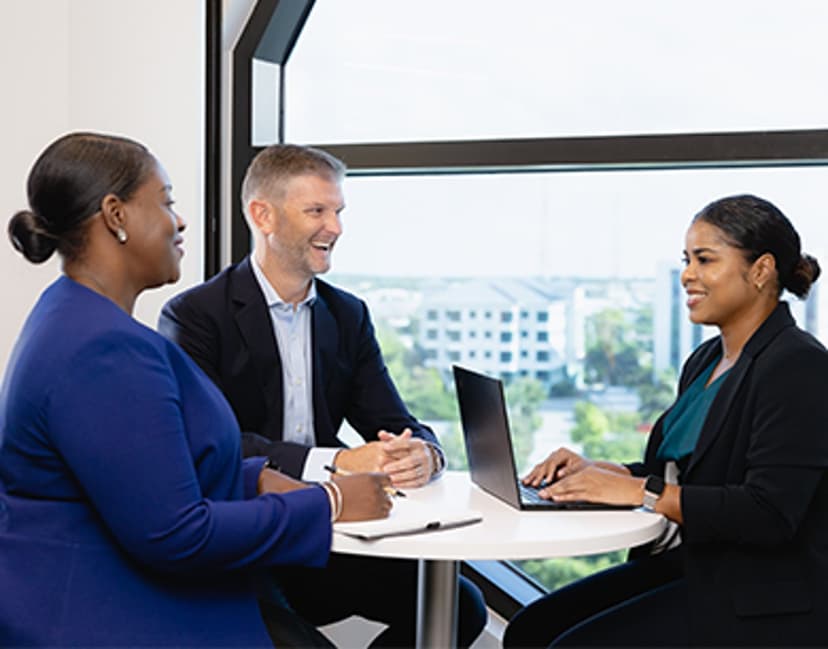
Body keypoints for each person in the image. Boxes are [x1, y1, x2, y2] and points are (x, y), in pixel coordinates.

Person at [0, 132, 393, 648]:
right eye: (165, 202)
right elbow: (173, 534)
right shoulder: (105, 349)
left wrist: (253, 478)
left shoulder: (74, 315)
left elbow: (156, 475)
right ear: (115, 216)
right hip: (106, 613)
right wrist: (331, 501)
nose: (179, 220)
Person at [158, 143, 487, 647]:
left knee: (462, 605)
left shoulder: (347, 315)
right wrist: (338, 462)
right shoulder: (195, 317)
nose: (335, 227)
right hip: (249, 539)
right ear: (262, 214)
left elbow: (395, 420)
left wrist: (423, 453)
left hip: (327, 537)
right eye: (317, 210)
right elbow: (213, 448)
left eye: (338, 211)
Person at [503, 194, 828, 648]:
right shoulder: (707, 359)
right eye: (687, 259)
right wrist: (604, 473)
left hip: (759, 595)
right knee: (529, 630)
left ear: (761, 270)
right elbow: (686, 476)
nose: (688, 275)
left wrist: (641, 491)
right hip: (693, 567)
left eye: (705, 259)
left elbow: (769, 513)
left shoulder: (798, 366)